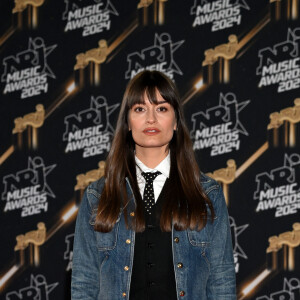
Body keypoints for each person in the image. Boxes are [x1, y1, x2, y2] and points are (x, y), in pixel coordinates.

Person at [71, 70, 236, 300]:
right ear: (128, 122)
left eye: (161, 108)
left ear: (176, 121)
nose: (151, 119)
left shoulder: (207, 194)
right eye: (140, 109)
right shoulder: (97, 197)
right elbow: (84, 283)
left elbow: (222, 281)